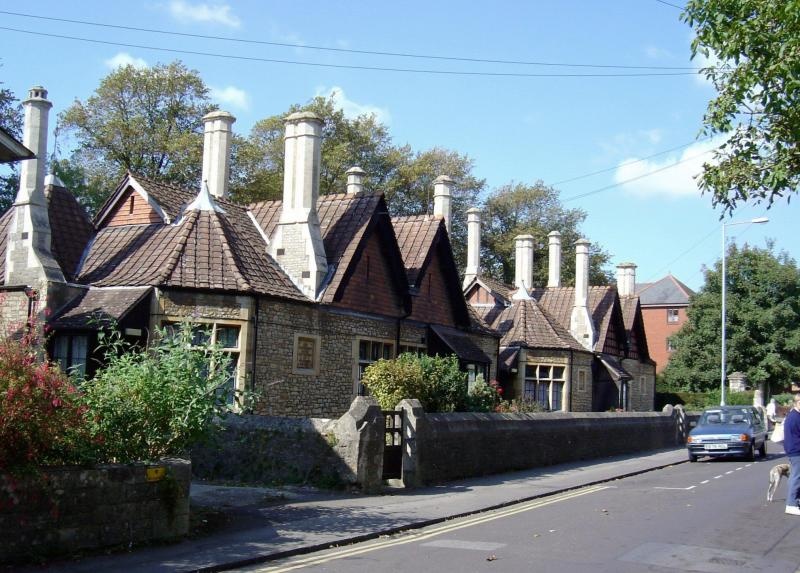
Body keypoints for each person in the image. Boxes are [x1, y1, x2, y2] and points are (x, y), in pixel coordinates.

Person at [784, 393, 800, 516]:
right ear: (796, 403)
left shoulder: (793, 415)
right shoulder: (795, 417)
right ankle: (791, 504)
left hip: (793, 450)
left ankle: (795, 501)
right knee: (796, 477)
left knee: (794, 476)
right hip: (796, 450)